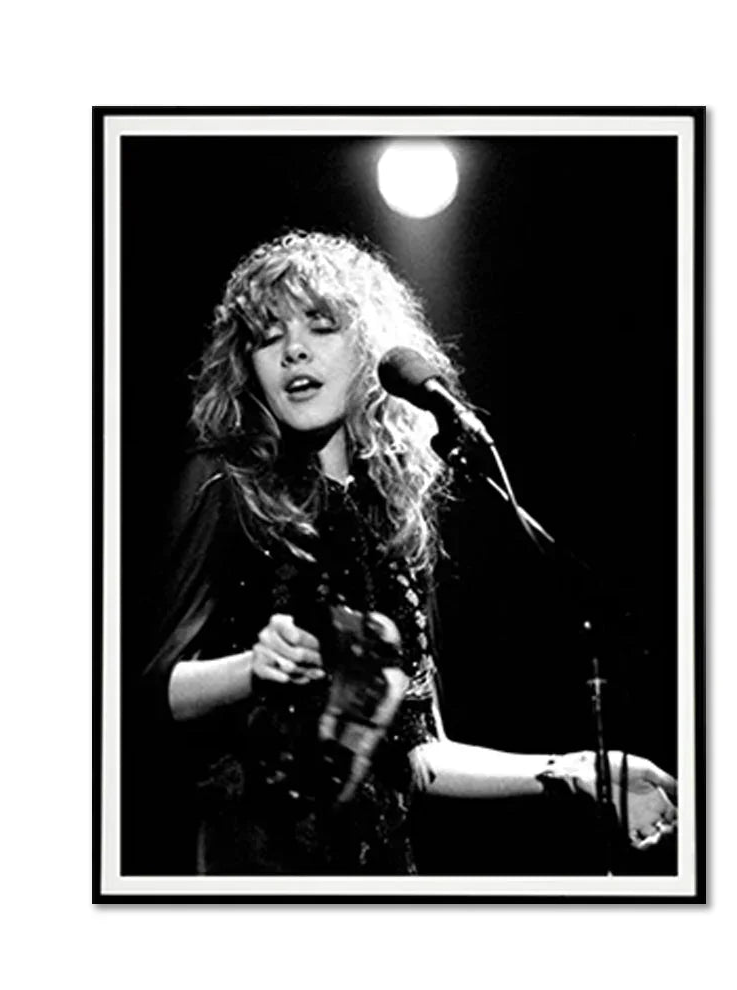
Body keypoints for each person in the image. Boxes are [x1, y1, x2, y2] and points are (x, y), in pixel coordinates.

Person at [143, 230, 677, 875]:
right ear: (246, 361)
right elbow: (141, 697)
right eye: (267, 335)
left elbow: (415, 755)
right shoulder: (227, 484)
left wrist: (572, 770)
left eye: (322, 325)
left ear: (369, 344)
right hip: (257, 864)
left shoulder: (388, 517)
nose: (293, 351)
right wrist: (253, 668)